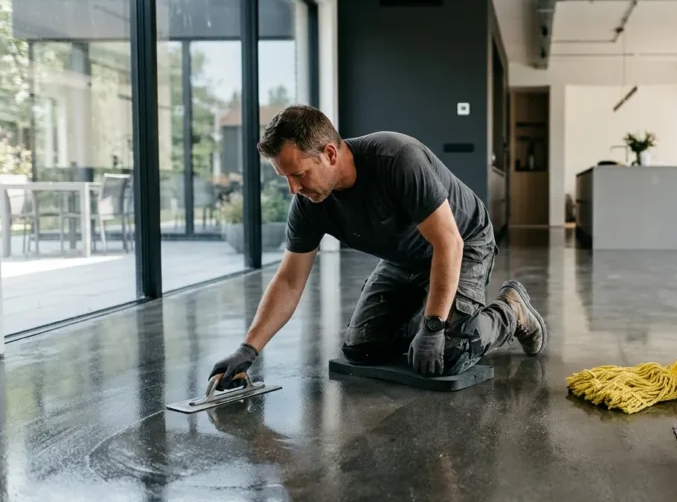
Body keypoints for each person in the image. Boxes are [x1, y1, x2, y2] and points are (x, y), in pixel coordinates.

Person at [208, 105, 547, 387]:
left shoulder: (397, 158)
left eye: (298, 174)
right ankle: (441, 309)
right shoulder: (308, 204)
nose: (293, 188)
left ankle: (510, 310)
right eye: (285, 178)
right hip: (405, 258)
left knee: (448, 355)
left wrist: (433, 328)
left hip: (464, 243)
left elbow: (449, 243)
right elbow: (289, 281)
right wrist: (249, 349)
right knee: (362, 350)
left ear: (329, 153)